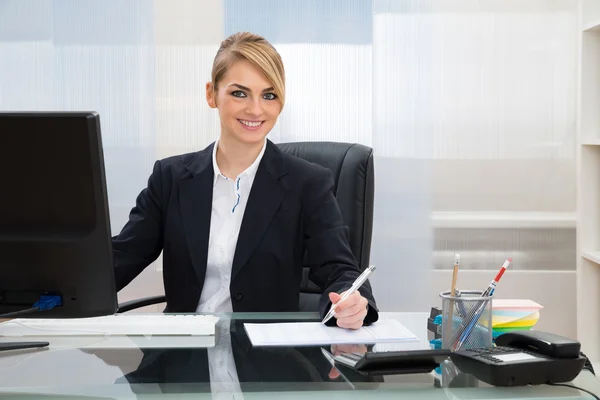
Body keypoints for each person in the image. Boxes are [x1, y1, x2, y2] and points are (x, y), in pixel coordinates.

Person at [112, 31, 378, 330]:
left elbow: (340, 269)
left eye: (269, 95)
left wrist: (351, 300)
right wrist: (57, 282)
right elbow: (121, 259)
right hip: (184, 358)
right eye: (239, 93)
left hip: (266, 361)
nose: (255, 109)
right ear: (211, 94)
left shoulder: (308, 183)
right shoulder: (171, 178)